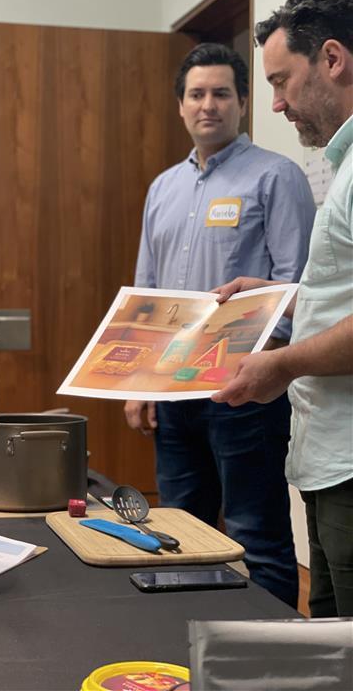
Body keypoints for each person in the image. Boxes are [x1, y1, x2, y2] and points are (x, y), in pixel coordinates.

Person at [124, 43, 317, 608]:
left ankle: (271, 651)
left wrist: (266, 360)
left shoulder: (276, 177)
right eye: (197, 94)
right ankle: (188, 642)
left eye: (221, 93)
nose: (208, 105)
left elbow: (298, 287)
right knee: (178, 535)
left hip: (245, 392)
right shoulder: (162, 188)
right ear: (181, 105)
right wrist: (139, 382)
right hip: (174, 392)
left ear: (243, 102)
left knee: (257, 537)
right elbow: (147, 295)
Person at [212, 0, 353, 617]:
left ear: (332, 59)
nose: (275, 104)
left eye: (280, 81)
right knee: (329, 639)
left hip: (348, 459)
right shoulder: (343, 162)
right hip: (327, 458)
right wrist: (281, 299)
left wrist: (283, 363)